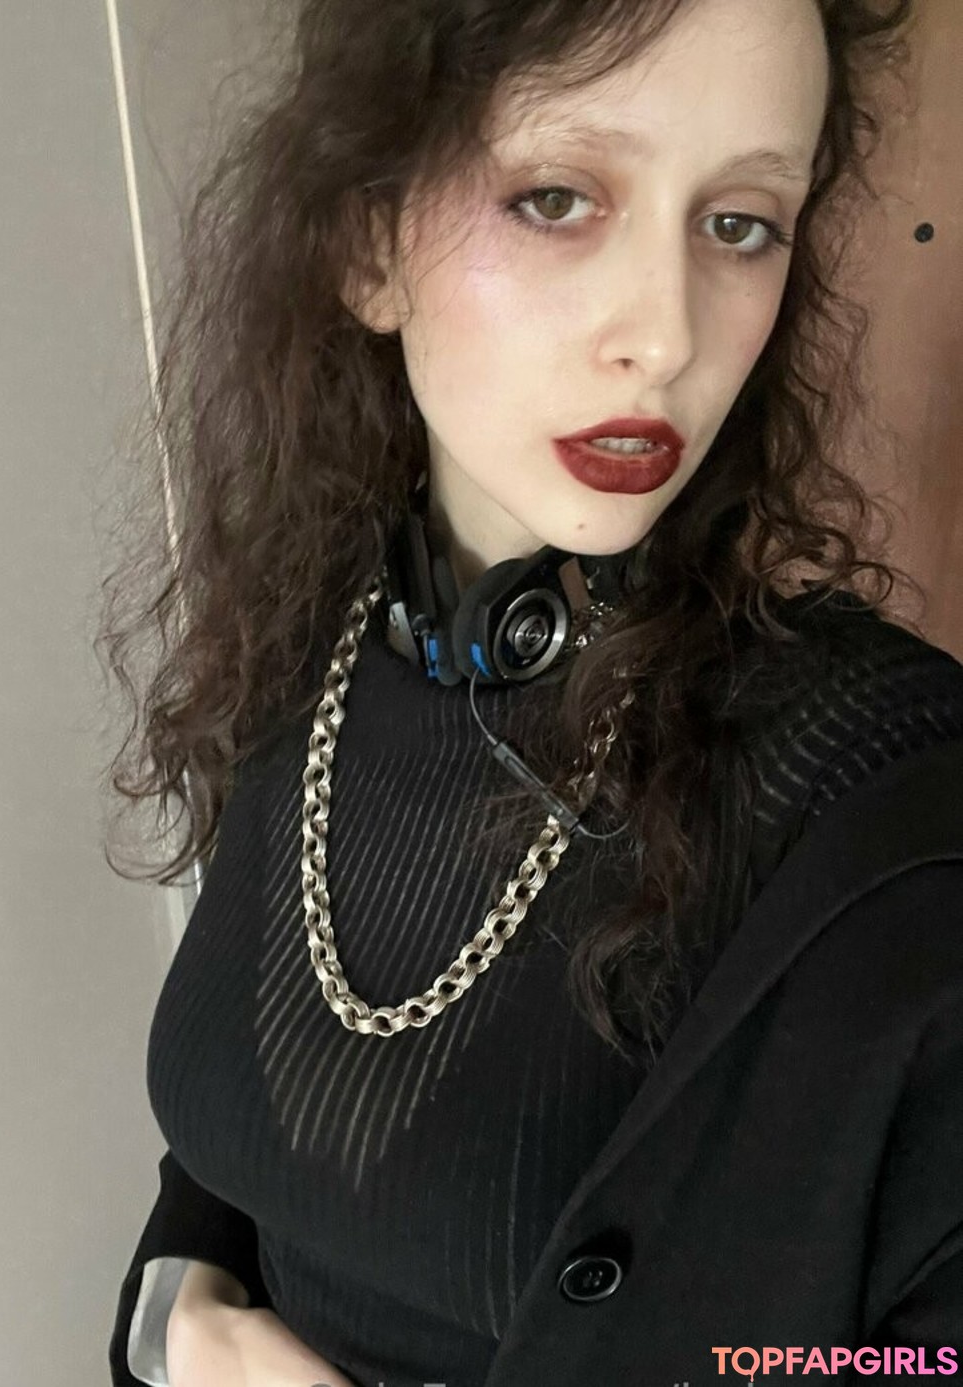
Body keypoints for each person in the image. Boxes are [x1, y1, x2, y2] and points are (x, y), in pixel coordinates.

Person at [99, 0, 963, 1383]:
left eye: (739, 223)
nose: (665, 336)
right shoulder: (310, 653)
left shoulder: (892, 801)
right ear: (367, 248)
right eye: (558, 199)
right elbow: (249, 1140)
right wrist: (175, 1320)